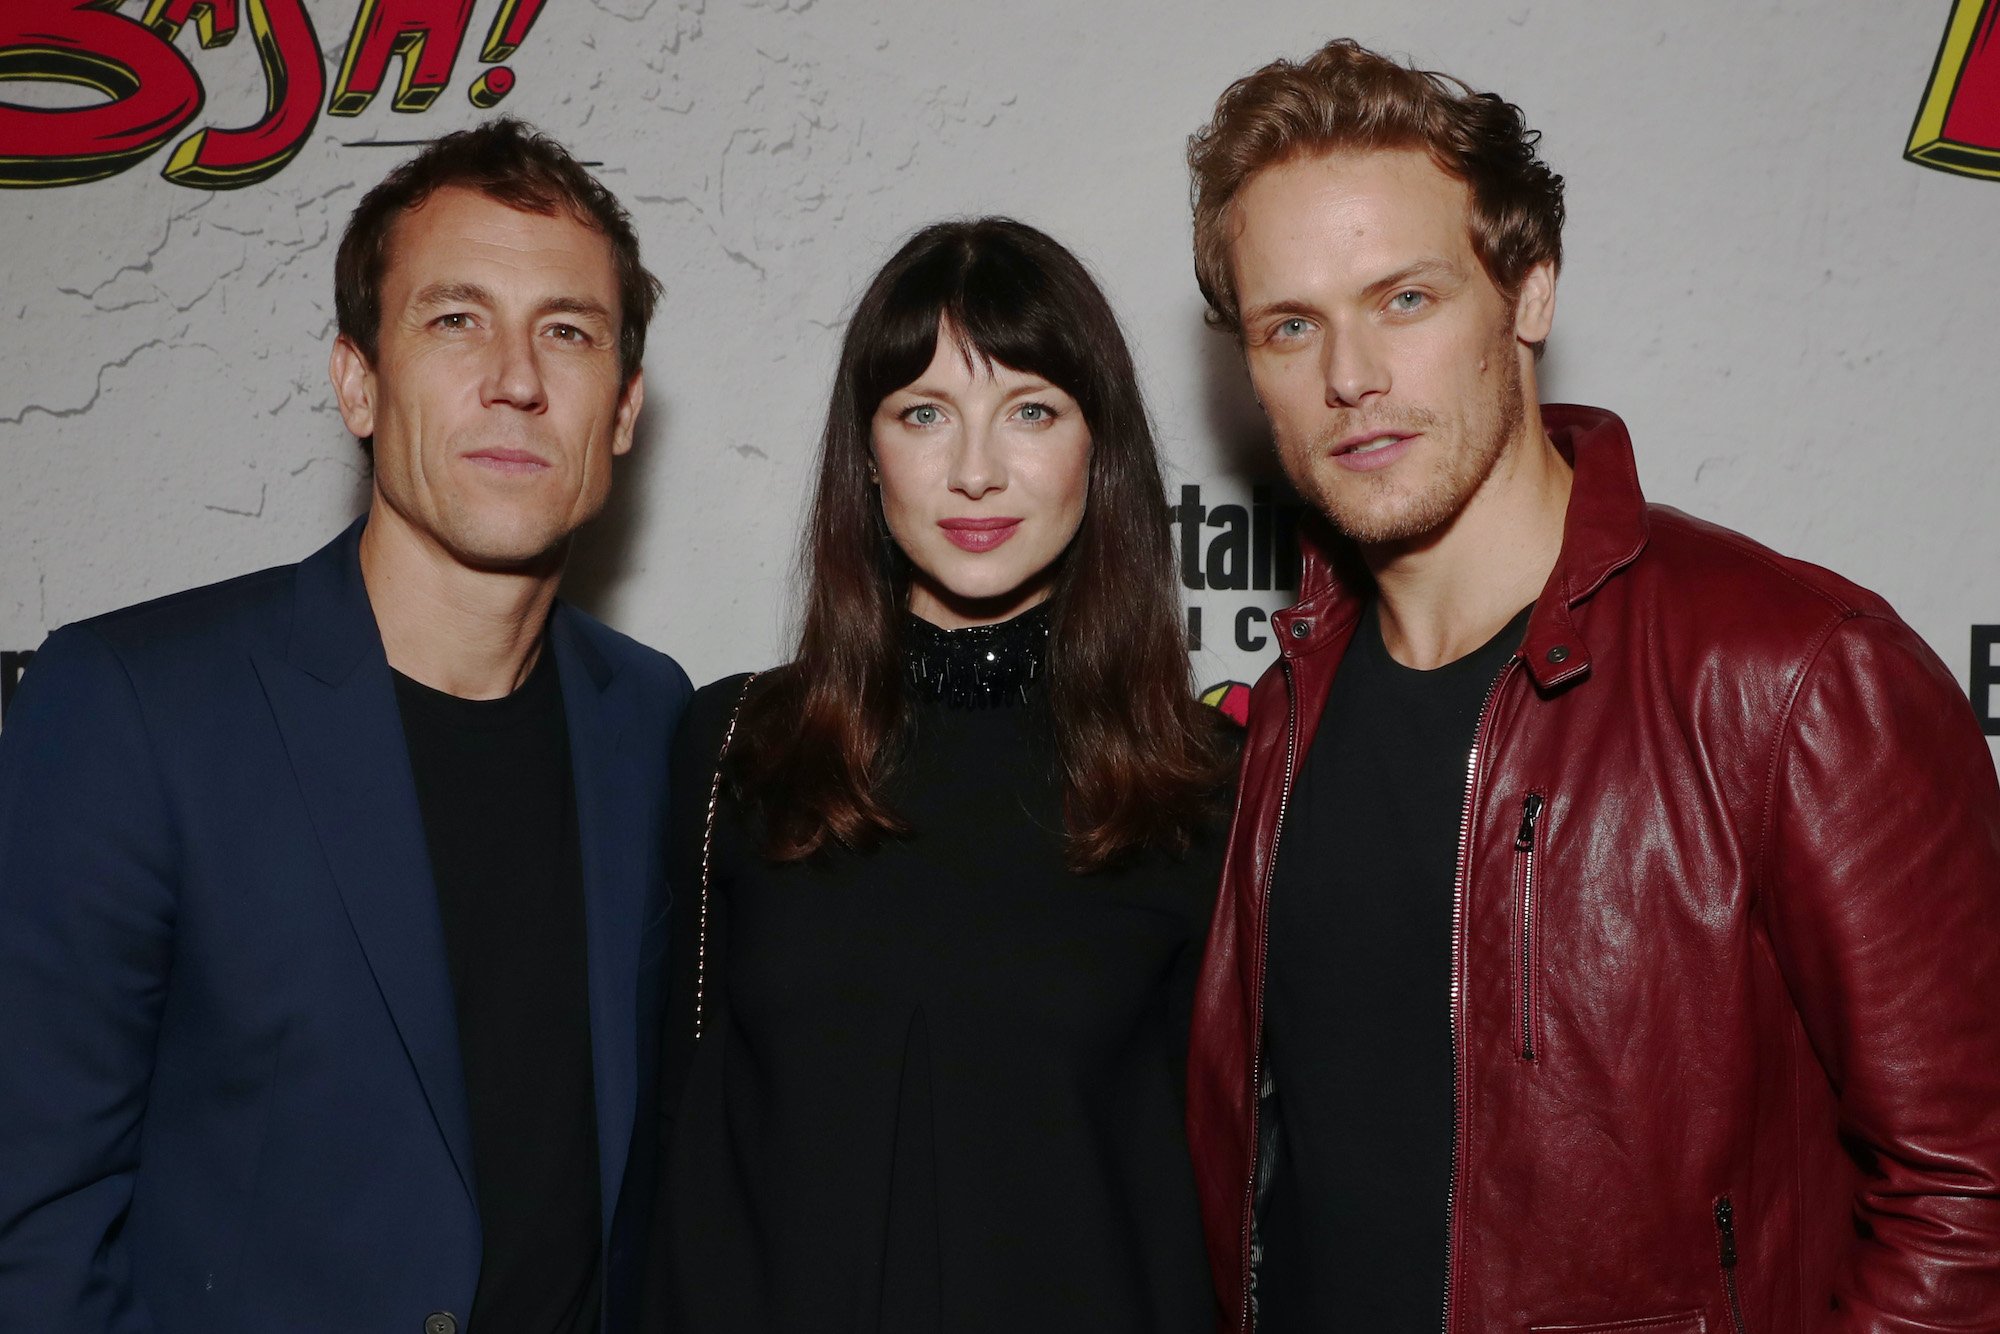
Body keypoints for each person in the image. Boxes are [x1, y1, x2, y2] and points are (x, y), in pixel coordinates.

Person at [1180, 38, 2000, 1334]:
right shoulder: (1285, 711)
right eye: (1293, 324)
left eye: (1405, 299)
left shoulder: (1790, 673)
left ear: (1531, 291)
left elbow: (1970, 1201)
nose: (1350, 377)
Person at [0, 119, 690, 1334]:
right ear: (356, 380)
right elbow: (32, 1218)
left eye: (567, 332)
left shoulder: (658, 723)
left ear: (623, 409)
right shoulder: (133, 706)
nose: (516, 378)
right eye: (454, 318)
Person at [651, 217, 1231, 1333]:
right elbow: (690, 1162)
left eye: (1029, 411)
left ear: (1095, 450)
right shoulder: (737, 748)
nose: (975, 470)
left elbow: (1210, 1208)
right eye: (924, 412)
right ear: (866, 453)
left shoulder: (1198, 788)